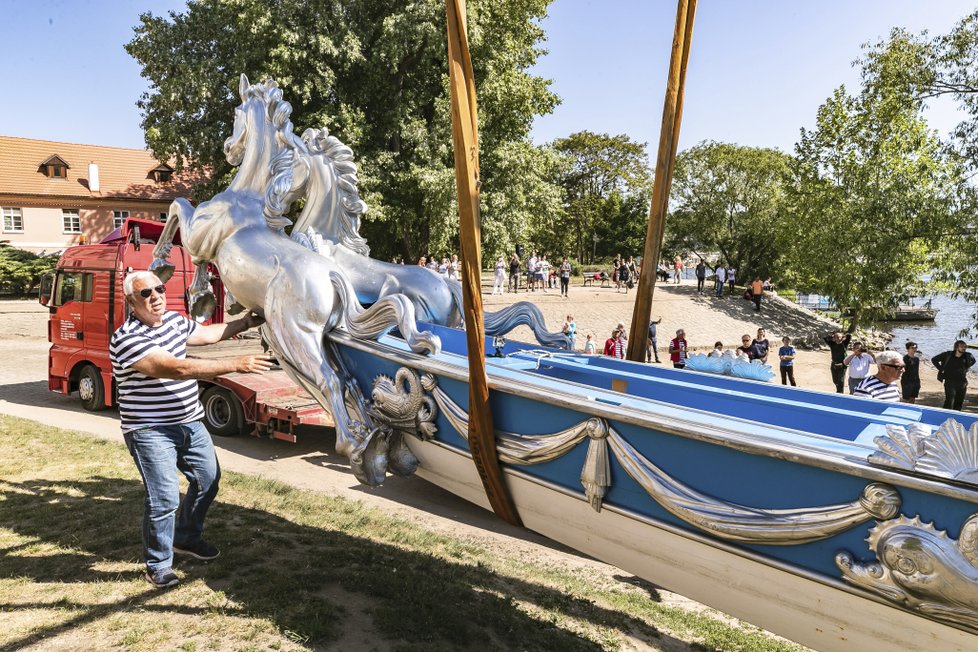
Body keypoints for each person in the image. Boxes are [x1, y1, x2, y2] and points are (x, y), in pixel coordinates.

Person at [110, 271, 273, 589]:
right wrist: (234, 365)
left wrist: (245, 322)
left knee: (208, 480)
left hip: (190, 423)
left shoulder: (174, 321)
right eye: (146, 293)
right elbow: (176, 368)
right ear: (131, 301)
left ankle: (185, 538)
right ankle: (158, 564)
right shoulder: (127, 337)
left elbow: (208, 335)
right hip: (149, 429)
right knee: (164, 498)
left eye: (159, 288)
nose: (156, 296)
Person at [932, 340, 976, 411]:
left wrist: (967, 367)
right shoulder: (948, 355)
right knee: (949, 401)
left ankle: (956, 418)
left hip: (962, 382)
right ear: (956, 347)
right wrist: (941, 369)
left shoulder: (967, 356)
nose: (964, 348)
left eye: (965, 347)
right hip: (950, 382)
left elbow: (974, 361)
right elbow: (934, 359)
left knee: (959, 403)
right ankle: (945, 415)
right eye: (962, 347)